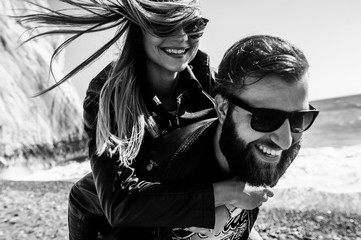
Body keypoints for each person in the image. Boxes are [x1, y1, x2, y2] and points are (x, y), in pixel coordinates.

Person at [17, 0, 271, 239]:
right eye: (165, 24)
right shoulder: (107, 94)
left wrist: (228, 208)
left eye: (193, 26)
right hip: (109, 222)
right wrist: (225, 194)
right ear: (141, 28)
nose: (182, 38)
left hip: (180, 206)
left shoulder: (210, 83)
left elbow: (255, 142)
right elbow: (120, 203)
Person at [90, 34, 320, 240]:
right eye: (265, 118)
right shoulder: (168, 175)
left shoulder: (273, 141)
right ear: (222, 109)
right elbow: (120, 204)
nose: (286, 139)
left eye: (299, 119)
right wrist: (221, 197)